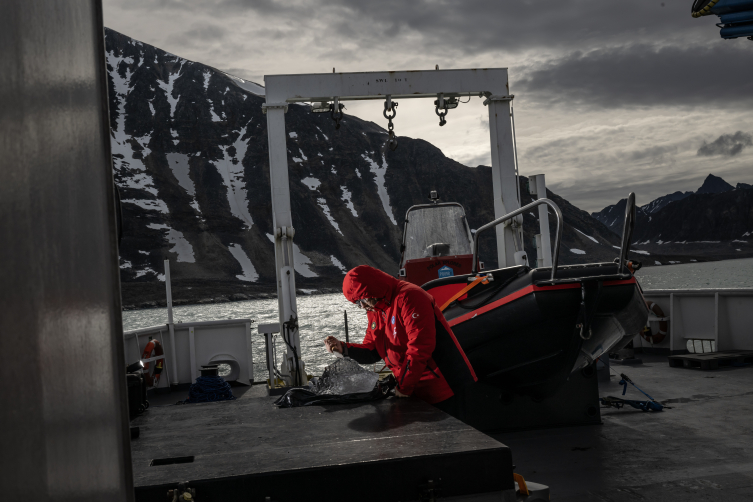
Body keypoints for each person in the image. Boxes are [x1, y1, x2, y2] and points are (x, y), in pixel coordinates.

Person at [324, 265, 477, 415]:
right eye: (357, 303)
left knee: (452, 437)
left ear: (374, 290)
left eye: (362, 300)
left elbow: (420, 347)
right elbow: (373, 350)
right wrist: (344, 348)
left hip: (445, 386)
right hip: (414, 386)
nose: (362, 306)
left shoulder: (410, 297)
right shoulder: (375, 308)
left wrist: (404, 387)